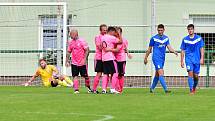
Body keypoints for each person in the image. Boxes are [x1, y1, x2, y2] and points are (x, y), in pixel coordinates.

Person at [144, 24, 178, 93]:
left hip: (162, 59)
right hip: (156, 58)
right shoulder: (153, 38)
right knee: (161, 72)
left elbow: (169, 47)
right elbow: (149, 49)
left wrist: (174, 51)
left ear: (164, 30)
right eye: (159, 30)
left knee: (157, 74)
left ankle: (152, 88)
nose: (160, 32)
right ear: (157, 30)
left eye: (161, 30)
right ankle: (166, 89)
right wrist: (145, 58)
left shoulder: (166, 38)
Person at [180, 24, 204, 94]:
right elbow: (182, 50)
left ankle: (194, 87)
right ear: (187, 30)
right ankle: (191, 90)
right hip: (188, 59)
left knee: (196, 76)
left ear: (194, 30)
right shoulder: (185, 39)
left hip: (197, 59)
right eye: (189, 29)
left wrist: (202, 58)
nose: (190, 30)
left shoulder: (199, 38)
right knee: (190, 73)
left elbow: (201, 48)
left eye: (191, 29)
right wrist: (181, 61)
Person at [66, 29, 92, 94]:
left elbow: (87, 50)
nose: (70, 36)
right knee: (75, 76)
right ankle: (76, 90)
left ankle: (89, 88)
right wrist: (67, 60)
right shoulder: (71, 42)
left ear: (75, 34)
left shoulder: (82, 41)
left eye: (71, 34)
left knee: (85, 76)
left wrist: (84, 59)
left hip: (82, 63)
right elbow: (69, 52)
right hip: (74, 63)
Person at [101, 26, 122, 94]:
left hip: (104, 58)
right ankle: (112, 89)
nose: (114, 33)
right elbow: (120, 41)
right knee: (115, 73)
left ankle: (104, 89)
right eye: (114, 32)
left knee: (105, 74)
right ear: (111, 31)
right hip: (110, 57)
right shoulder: (111, 37)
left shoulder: (103, 37)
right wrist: (118, 34)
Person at [114, 27, 132, 93]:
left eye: (118, 32)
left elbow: (125, 47)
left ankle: (120, 89)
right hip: (114, 59)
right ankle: (116, 88)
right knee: (115, 74)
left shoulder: (124, 40)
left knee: (121, 74)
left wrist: (128, 54)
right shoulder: (114, 40)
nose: (116, 33)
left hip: (121, 59)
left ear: (121, 32)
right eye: (115, 32)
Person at [92, 24, 107, 94]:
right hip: (99, 58)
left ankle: (104, 89)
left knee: (106, 74)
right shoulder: (97, 37)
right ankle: (94, 89)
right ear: (100, 30)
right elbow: (99, 47)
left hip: (106, 58)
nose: (105, 31)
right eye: (104, 30)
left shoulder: (107, 37)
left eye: (106, 30)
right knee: (99, 74)